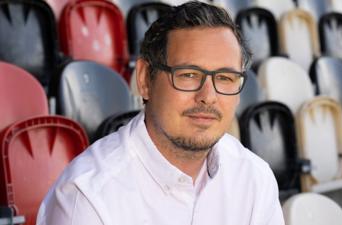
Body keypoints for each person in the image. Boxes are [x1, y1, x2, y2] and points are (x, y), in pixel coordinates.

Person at [36, 1, 284, 224]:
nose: (208, 96)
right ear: (145, 79)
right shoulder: (88, 199)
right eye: (188, 75)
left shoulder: (254, 178)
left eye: (226, 78)